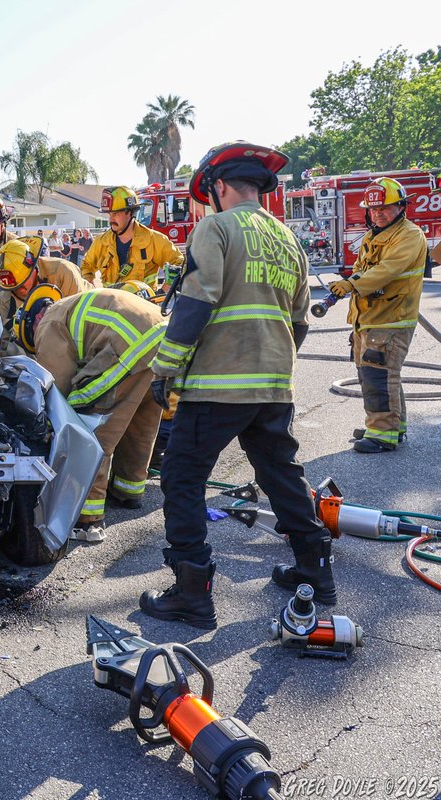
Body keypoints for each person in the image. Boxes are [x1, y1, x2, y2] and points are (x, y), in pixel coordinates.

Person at [140, 141, 333, 630]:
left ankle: (191, 594)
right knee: (280, 474)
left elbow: (195, 304)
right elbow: (299, 320)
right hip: (272, 386)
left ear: (219, 186)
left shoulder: (216, 227)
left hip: (217, 385)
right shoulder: (287, 239)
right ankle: (316, 570)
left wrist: (165, 369)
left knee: (183, 478)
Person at [27, 289, 165, 542]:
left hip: (131, 341)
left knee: (89, 421)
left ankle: (87, 517)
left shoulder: (49, 322)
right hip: (162, 334)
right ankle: (129, 489)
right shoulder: (72, 303)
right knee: (140, 420)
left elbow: (58, 386)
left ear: (33, 321)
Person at [328, 177, 428, 453]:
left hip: (391, 319)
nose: (378, 213)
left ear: (401, 207)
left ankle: (382, 433)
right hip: (369, 319)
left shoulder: (409, 235)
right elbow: (364, 268)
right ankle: (391, 425)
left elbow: (386, 271)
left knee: (379, 376)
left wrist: (352, 284)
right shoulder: (374, 235)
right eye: (373, 210)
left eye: (385, 208)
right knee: (377, 375)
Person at [0, 235, 91, 355]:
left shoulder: (63, 272)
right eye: (14, 289)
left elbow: (81, 323)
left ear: (34, 268)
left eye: (22, 285)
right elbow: (6, 337)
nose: (19, 291)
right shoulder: (6, 294)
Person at [82, 187, 183, 288]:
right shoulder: (101, 242)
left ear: (130, 212)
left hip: (143, 303)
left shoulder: (153, 240)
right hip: (111, 303)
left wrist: (164, 290)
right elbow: (86, 266)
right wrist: (90, 288)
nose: (111, 219)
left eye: (116, 214)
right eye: (110, 214)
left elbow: (179, 264)